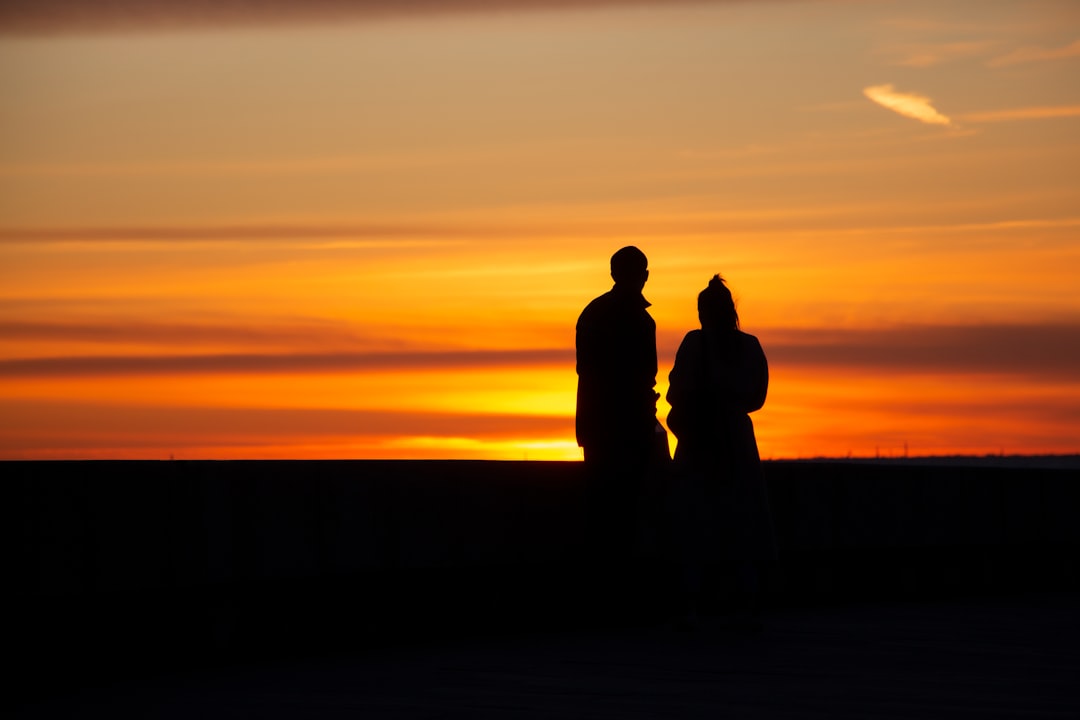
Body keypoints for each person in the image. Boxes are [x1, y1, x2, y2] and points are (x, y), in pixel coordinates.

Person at [665, 274, 774, 629]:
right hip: (737, 442)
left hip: (698, 439)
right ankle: (746, 599)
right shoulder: (750, 346)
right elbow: (757, 397)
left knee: (694, 526)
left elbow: (675, 390)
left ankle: (693, 602)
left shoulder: (694, 344)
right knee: (742, 524)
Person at [576, 246, 662, 567]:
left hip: (597, 429)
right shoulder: (641, 320)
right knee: (627, 514)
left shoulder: (592, 313)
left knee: (601, 514)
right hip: (630, 431)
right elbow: (646, 377)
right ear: (645, 276)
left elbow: (586, 371)